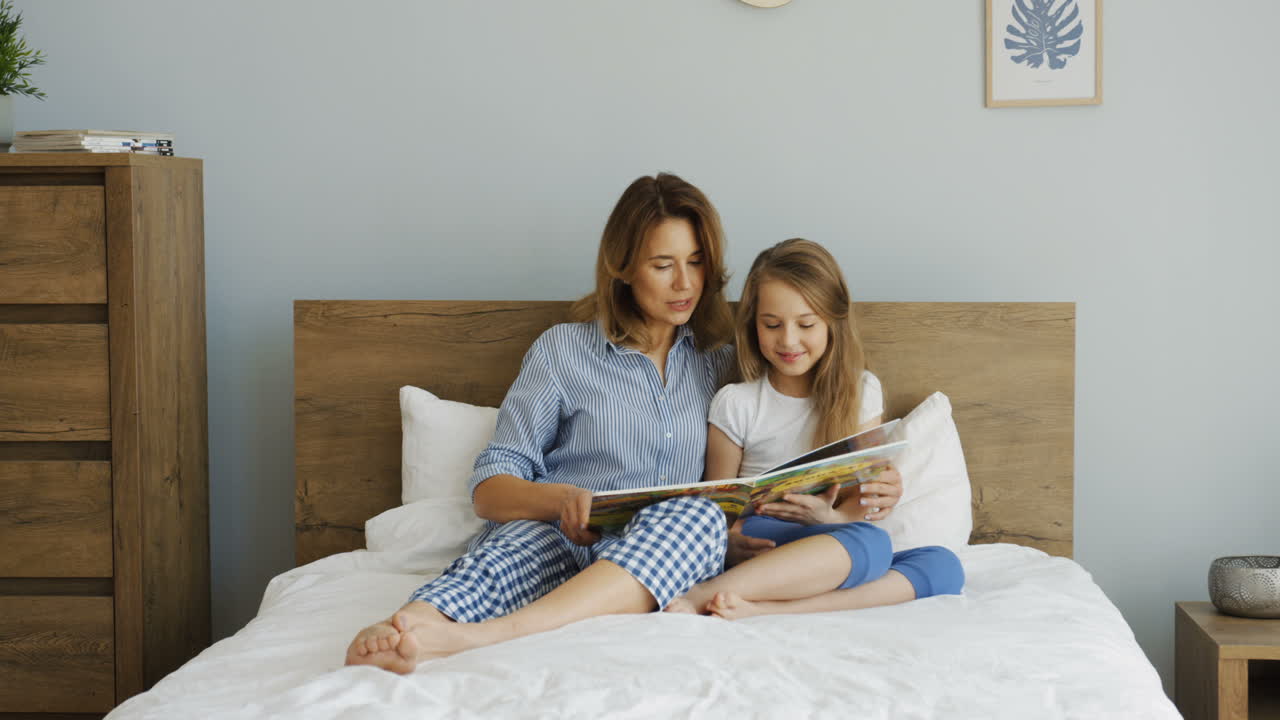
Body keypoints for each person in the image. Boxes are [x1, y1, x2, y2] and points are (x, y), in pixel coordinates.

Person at [345, 172, 741, 673]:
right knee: (513, 548)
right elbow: (490, 490)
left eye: (696, 262)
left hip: (652, 557)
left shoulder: (719, 363)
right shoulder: (563, 351)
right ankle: (404, 628)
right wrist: (562, 500)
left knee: (699, 519)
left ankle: (482, 638)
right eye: (663, 265)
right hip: (562, 537)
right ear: (622, 268)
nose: (685, 283)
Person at [666, 238, 964, 619]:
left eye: (806, 324)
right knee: (870, 545)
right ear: (753, 323)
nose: (788, 340)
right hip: (765, 543)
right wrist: (732, 542)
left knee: (943, 564)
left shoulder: (860, 391)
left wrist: (845, 512)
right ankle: (706, 592)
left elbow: (860, 502)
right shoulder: (736, 402)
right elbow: (717, 509)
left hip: (833, 539)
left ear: (831, 324)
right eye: (771, 324)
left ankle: (762, 609)